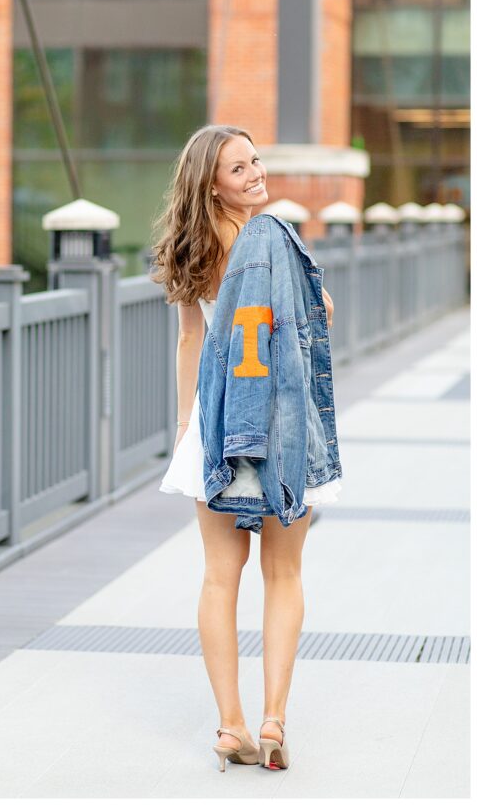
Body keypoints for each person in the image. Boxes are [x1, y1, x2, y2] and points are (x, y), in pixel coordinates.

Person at [150, 124, 341, 772]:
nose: (255, 173)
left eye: (255, 161)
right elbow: (322, 314)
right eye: (239, 168)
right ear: (213, 182)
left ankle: (229, 725)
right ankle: (272, 718)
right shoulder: (273, 241)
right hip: (282, 418)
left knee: (216, 576)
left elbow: (188, 342)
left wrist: (185, 426)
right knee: (282, 573)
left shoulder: (191, 249)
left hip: (216, 421)